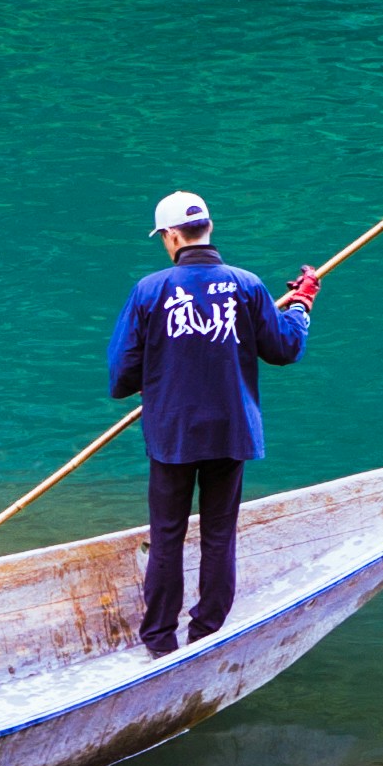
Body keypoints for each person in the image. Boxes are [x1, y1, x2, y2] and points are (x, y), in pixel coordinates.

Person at [106, 190, 319, 658]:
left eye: (163, 236)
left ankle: (160, 640)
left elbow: (120, 375)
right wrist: (301, 306)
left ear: (172, 235)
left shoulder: (149, 290)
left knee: (166, 535)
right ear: (209, 228)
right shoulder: (247, 286)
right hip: (230, 432)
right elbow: (283, 348)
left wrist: (151, 381)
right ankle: (206, 635)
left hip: (172, 434)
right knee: (219, 534)